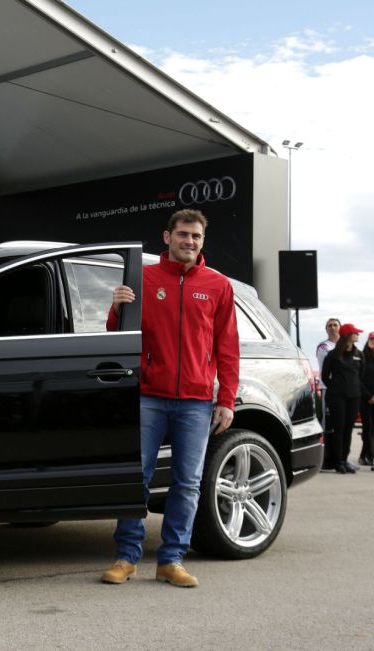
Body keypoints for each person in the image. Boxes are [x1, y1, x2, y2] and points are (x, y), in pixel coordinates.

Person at [100, 208, 239, 589]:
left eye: (196, 236)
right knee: (137, 479)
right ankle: (127, 557)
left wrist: (226, 398)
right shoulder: (143, 279)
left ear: (202, 241)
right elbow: (117, 335)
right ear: (167, 237)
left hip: (196, 401)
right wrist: (116, 307)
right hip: (148, 396)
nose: (189, 241)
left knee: (188, 483)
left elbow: (227, 347)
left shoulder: (217, 285)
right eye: (183, 234)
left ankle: (172, 560)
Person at [320, 323, 365, 473]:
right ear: (347, 335)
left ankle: (345, 460)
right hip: (337, 397)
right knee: (339, 429)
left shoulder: (359, 355)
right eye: (355, 332)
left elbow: (361, 376)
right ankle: (337, 461)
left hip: (354, 397)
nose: (358, 335)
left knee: (348, 429)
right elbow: (325, 376)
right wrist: (335, 388)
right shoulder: (333, 355)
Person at [316, 318, 341, 433]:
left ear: (340, 327)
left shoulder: (347, 346)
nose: (332, 327)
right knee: (328, 423)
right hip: (329, 388)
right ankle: (326, 448)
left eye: (335, 325)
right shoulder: (323, 346)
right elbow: (336, 364)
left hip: (346, 388)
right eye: (329, 326)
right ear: (326, 329)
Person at [360, 334, 374, 467]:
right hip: (365, 399)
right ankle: (369, 455)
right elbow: (358, 379)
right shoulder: (362, 357)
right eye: (372, 340)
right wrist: (369, 396)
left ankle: (365, 455)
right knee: (367, 428)